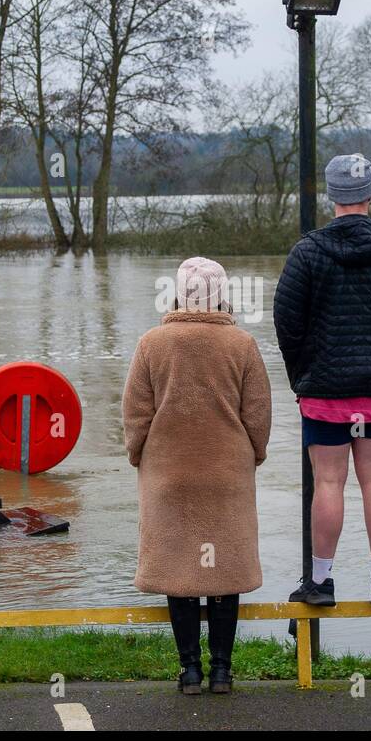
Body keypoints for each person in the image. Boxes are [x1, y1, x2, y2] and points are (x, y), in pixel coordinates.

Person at [273, 153, 371, 606]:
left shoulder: (307, 253)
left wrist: (304, 373)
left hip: (325, 393)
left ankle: (321, 582)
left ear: (332, 196)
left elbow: (287, 322)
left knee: (328, 483)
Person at [122, 256, 272, 694]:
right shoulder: (242, 345)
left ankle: (189, 670)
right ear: (223, 296)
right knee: (224, 572)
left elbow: (135, 416)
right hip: (227, 475)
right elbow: (258, 415)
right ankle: (222, 671)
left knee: (179, 572)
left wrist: (140, 457)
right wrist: (252, 455)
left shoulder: (152, 343)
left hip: (169, 476)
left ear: (176, 293)